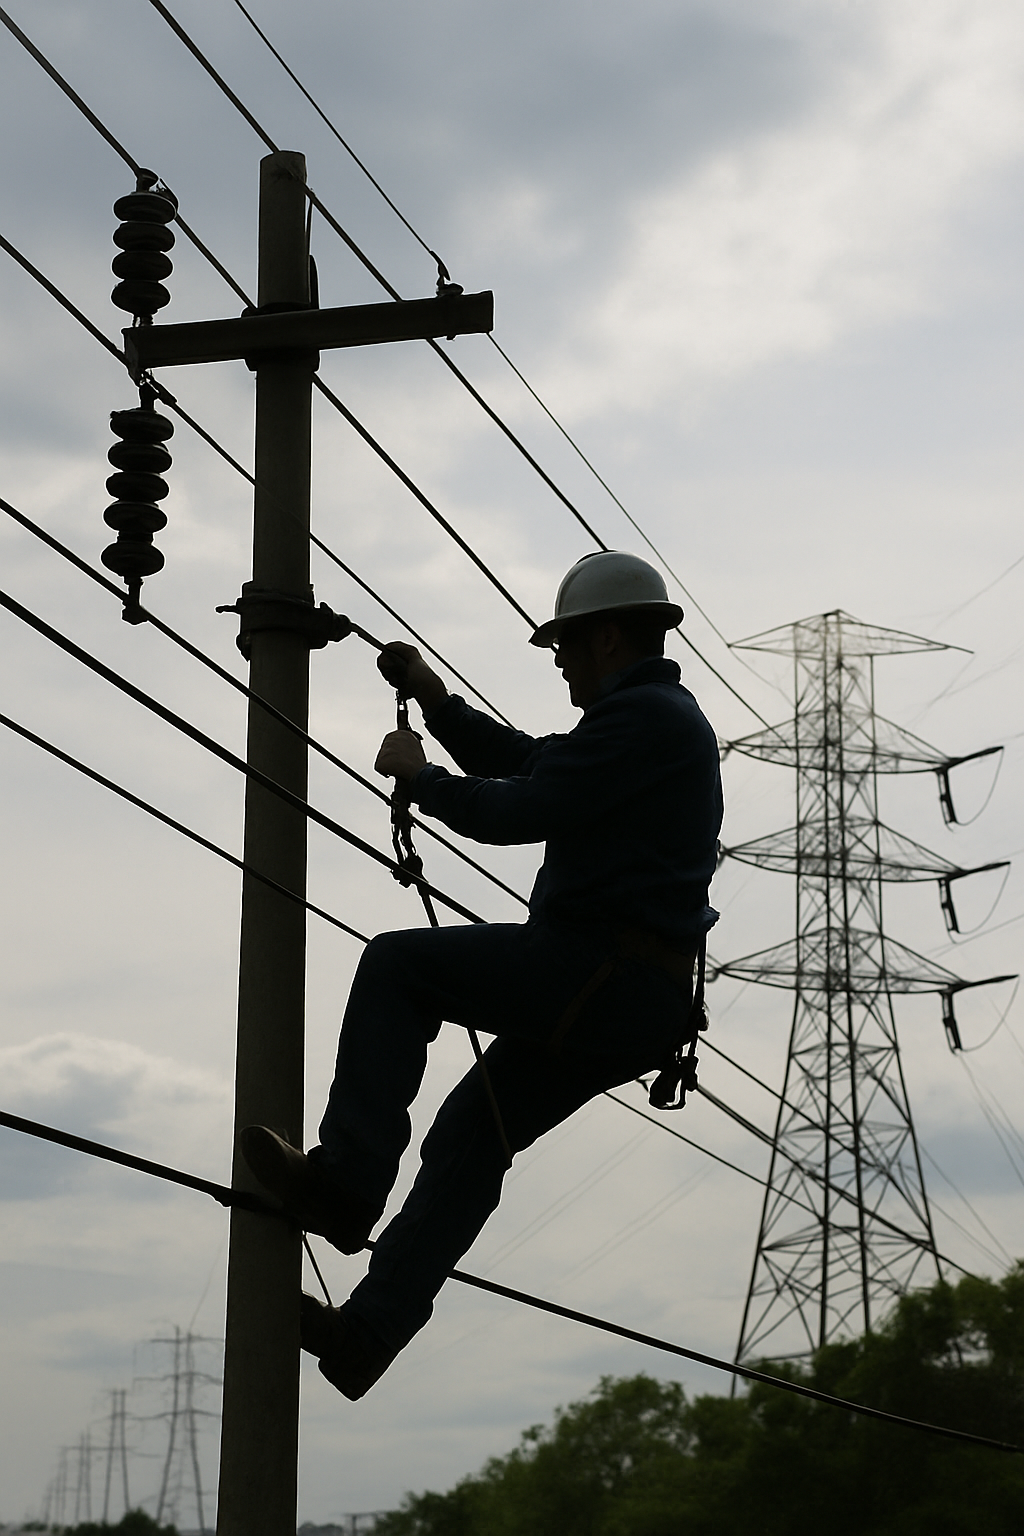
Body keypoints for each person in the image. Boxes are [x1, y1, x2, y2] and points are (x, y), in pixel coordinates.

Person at [242, 551, 723, 1400]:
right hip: (630, 992)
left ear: (607, 636)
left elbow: (518, 808)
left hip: (597, 971)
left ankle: (349, 1184)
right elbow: (533, 760)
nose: (561, 661)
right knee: (474, 1132)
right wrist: (433, 697)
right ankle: (365, 1338)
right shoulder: (644, 722)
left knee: (399, 965)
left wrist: (419, 778)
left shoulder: (647, 722)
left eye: (565, 646)